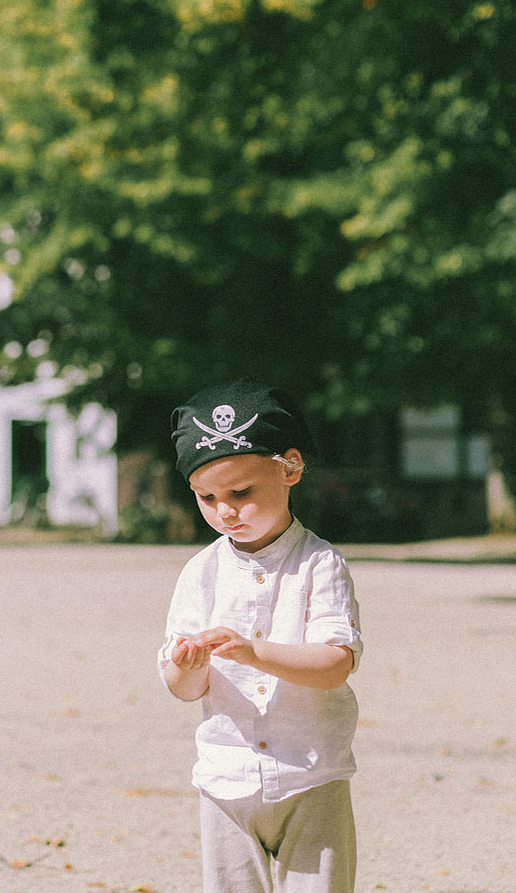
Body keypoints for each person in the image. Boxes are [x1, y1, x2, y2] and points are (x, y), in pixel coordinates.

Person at [159, 378, 363, 893]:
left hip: (312, 775)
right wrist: (187, 669)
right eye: (207, 497)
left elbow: (336, 662)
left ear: (290, 467)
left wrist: (254, 653)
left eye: (241, 492)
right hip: (227, 780)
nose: (225, 510)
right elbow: (183, 689)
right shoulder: (200, 573)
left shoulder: (321, 563)